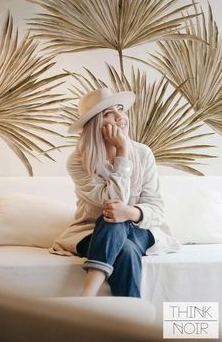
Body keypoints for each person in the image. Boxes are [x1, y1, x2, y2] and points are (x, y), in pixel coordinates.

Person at [50, 88, 181, 297]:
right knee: (122, 239)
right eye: (109, 113)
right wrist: (121, 153)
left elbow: (156, 208)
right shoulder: (78, 160)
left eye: (120, 109)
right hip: (91, 232)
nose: (121, 117)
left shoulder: (143, 153)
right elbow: (113, 203)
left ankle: (86, 298)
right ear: (95, 124)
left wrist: (130, 213)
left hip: (139, 229)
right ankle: (132, 322)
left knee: (116, 218)